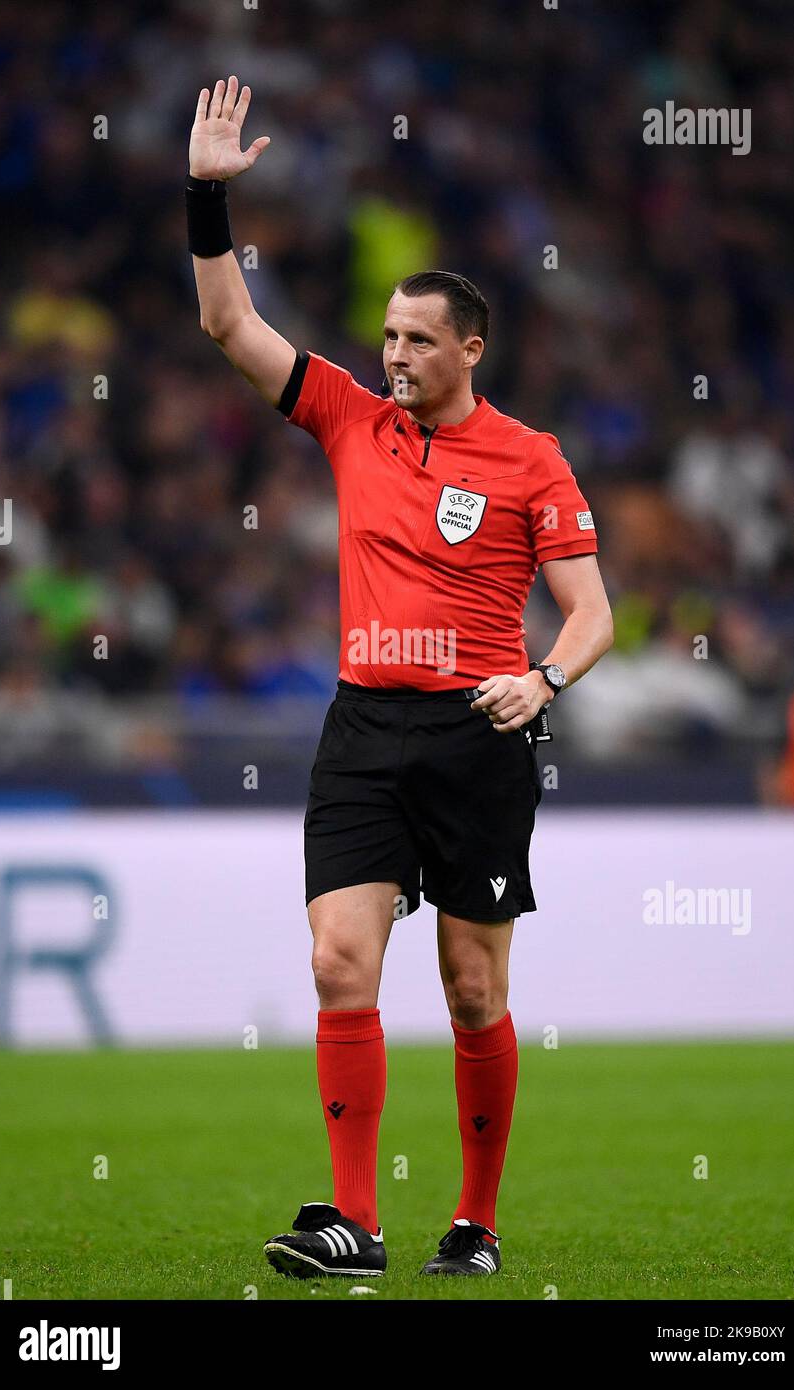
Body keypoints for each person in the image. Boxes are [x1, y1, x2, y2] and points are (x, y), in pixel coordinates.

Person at [187, 76, 614, 1278]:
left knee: (474, 990)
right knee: (335, 960)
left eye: (418, 339)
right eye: (386, 335)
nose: (394, 354)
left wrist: (545, 681)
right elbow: (228, 324)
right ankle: (351, 1222)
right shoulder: (347, 419)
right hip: (364, 726)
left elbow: (593, 615)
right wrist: (206, 195)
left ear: (469, 349)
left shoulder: (530, 459)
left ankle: (472, 1221)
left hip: (481, 729)